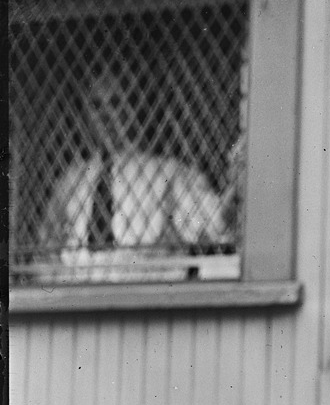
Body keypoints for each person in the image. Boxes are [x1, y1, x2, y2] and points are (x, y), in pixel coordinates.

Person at [36, 64, 233, 282]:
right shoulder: (72, 180)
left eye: (115, 103)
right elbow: (45, 250)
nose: (105, 115)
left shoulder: (167, 174)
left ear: (134, 108)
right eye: (96, 105)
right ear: (85, 114)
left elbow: (216, 225)